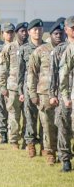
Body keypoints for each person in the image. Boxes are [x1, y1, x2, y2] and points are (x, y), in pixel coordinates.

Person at [27, 20, 64, 165]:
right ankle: (50, 152)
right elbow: (32, 73)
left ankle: (62, 151)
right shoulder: (40, 51)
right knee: (47, 125)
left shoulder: (67, 50)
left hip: (63, 94)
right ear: (51, 35)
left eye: (61, 33)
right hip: (44, 94)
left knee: (62, 125)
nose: (59, 36)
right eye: (56, 33)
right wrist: (32, 94)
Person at [50, 17, 74, 171]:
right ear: (66, 30)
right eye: (72, 27)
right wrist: (53, 94)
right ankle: (65, 160)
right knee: (63, 127)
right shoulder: (60, 50)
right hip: (64, 95)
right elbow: (54, 75)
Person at [20, 19, 45, 156]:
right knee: (29, 117)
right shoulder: (24, 49)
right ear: (29, 32)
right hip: (28, 88)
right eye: (35, 29)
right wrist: (20, 91)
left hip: (44, 89)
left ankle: (44, 144)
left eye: (40, 29)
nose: (38, 32)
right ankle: (30, 144)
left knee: (44, 117)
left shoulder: (48, 48)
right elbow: (20, 72)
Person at [0, 24, 24, 149]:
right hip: (12, 88)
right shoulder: (9, 48)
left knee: (29, 116)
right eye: (21, 31)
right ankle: (13, 140)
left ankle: (27, 140)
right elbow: (2, 69)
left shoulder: (30, 48)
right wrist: (2, 86)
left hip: (28, 88)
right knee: (13, 115)